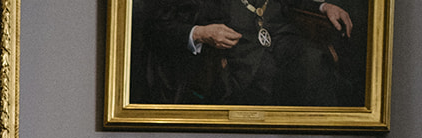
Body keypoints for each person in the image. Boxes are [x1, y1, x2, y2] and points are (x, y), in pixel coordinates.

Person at [145, 0, 353, 107]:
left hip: (282, 40)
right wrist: (200, 33)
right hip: (230, 54)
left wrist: (324, 7)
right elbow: (155, 28)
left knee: (315, 62)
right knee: (265, 75)